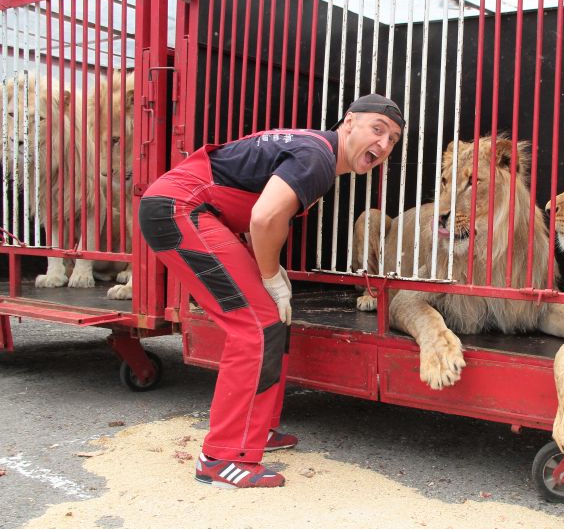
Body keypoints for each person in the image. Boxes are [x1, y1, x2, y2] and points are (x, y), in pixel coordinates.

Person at [138, 94, 404, 488]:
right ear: (349, 122)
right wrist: (269, 276)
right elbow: (264, 218)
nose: (383, 144)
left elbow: (255, 208)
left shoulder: (315, 151)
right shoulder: (317, 156)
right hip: (180, 208)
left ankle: (256, 430)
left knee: (272, 317)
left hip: (193, 210)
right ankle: (221, 458)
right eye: (377, 130)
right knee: (256, 324)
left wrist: (270, 273)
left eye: (392, 140)